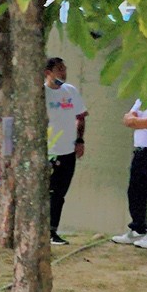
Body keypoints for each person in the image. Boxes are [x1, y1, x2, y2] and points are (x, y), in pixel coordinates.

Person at [112, 69, 147, 250]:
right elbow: (127, 119)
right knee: (135, 191)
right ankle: (137, 228)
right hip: (141, 151)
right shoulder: (144, 98)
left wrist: (140, 123)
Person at [44, 57, 87, 245]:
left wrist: (79, 140)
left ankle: (53, 232)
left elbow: (81, 117)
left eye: (64, 68)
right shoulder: (41, 93)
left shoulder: (71, 91)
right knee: (46, 193)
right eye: (59, 69)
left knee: (59, 194)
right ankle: (40, 230)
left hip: (68, 150)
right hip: (48, 151)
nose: (63, 72)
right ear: (48, 73)